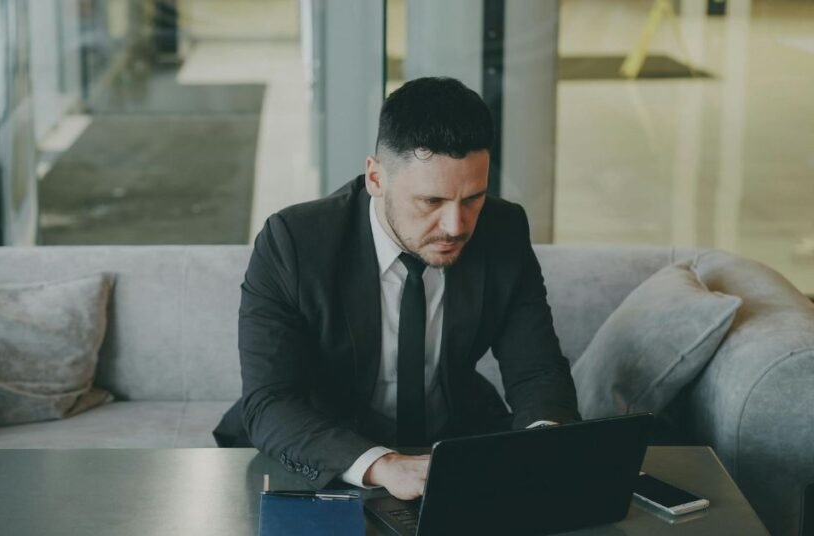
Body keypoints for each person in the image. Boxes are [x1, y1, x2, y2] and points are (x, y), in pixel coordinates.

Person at [213, 76, 579, 500]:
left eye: (473, 198)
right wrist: (381, 465)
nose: (456, 226)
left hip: (451, 445)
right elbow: (270, 401)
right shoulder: (294, 242)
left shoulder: (503, 230)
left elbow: (538, 371)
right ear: (375, 178)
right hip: (322, 453)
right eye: (431, 202)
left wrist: (545, 444)